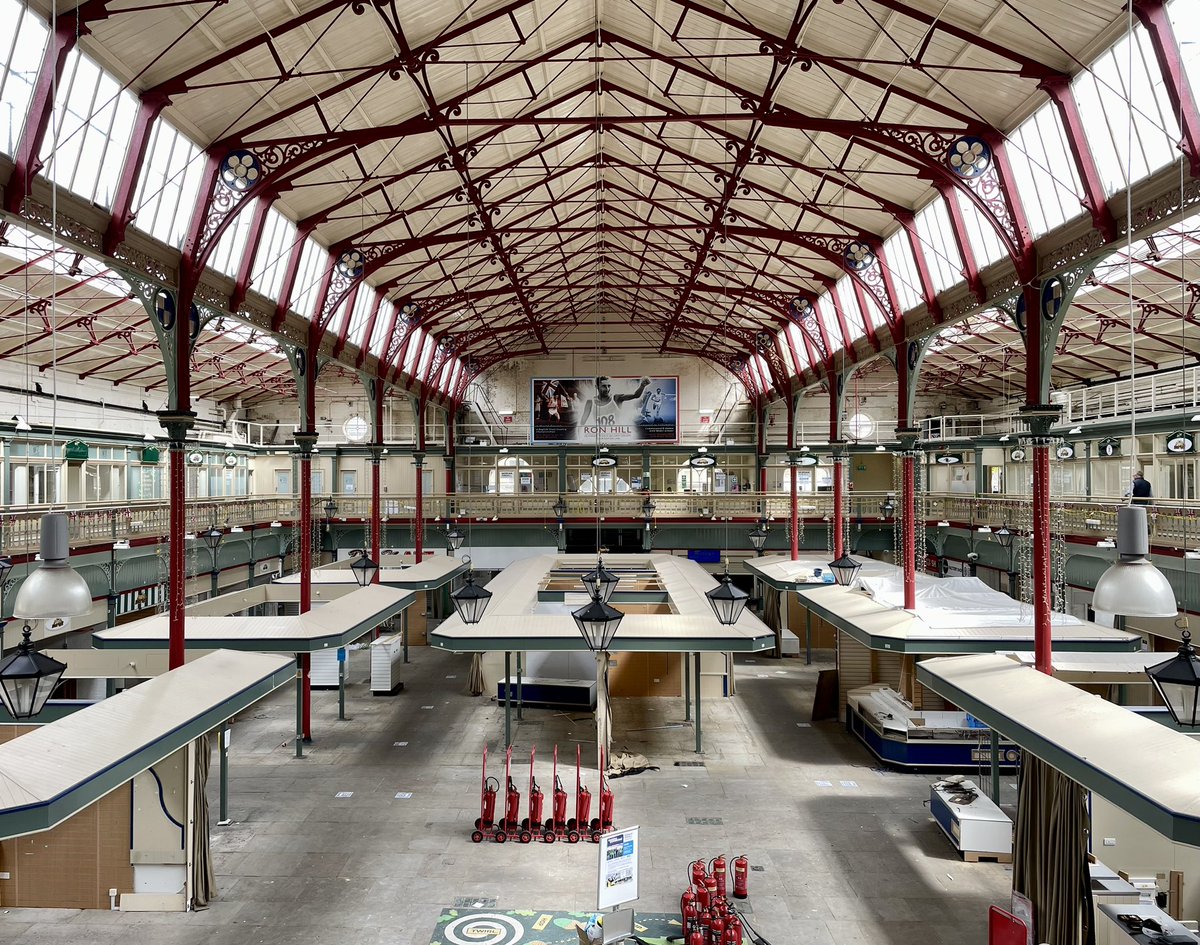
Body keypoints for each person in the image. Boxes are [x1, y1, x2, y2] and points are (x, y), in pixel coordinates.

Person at [579, 375, 650, 431]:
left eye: (608, 386)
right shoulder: (590, 402)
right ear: (596, 387)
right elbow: (581, 424)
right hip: (599, 438)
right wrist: (579, 441)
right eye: (604, 386)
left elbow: (635, 395)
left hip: (616, 437)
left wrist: (642, 386)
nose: (607, 389)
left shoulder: (616, 398)